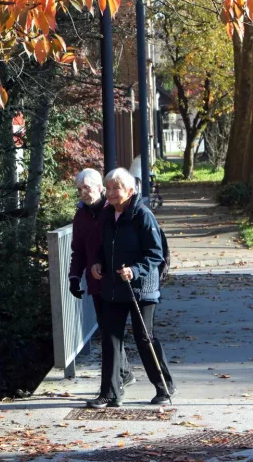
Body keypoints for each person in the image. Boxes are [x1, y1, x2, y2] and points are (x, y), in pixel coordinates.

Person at [90, 168, 175, 405]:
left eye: (116, 188)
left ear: (130, 190)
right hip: (114, 286)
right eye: (108, 188)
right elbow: (102, 246)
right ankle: (109, 393)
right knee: (110, 338)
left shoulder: (142, 215)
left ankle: (164, 386)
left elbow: (155, 254)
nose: (111, 193)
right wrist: (97, 263)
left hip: (142, 288)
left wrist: (135, 270)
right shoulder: (108, 215)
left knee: (144, 337)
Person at [67, 168, 135, 408]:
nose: (84, 193)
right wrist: (74, 277)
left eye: (87, 188)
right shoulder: (81, 215)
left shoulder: (112, 211)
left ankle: (113, 387)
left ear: (100, 188)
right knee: (108, 333)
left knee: (110, 334)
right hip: (96, 283)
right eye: (80, 189)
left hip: (115, 280)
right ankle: (123, 375)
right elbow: (78, 250)